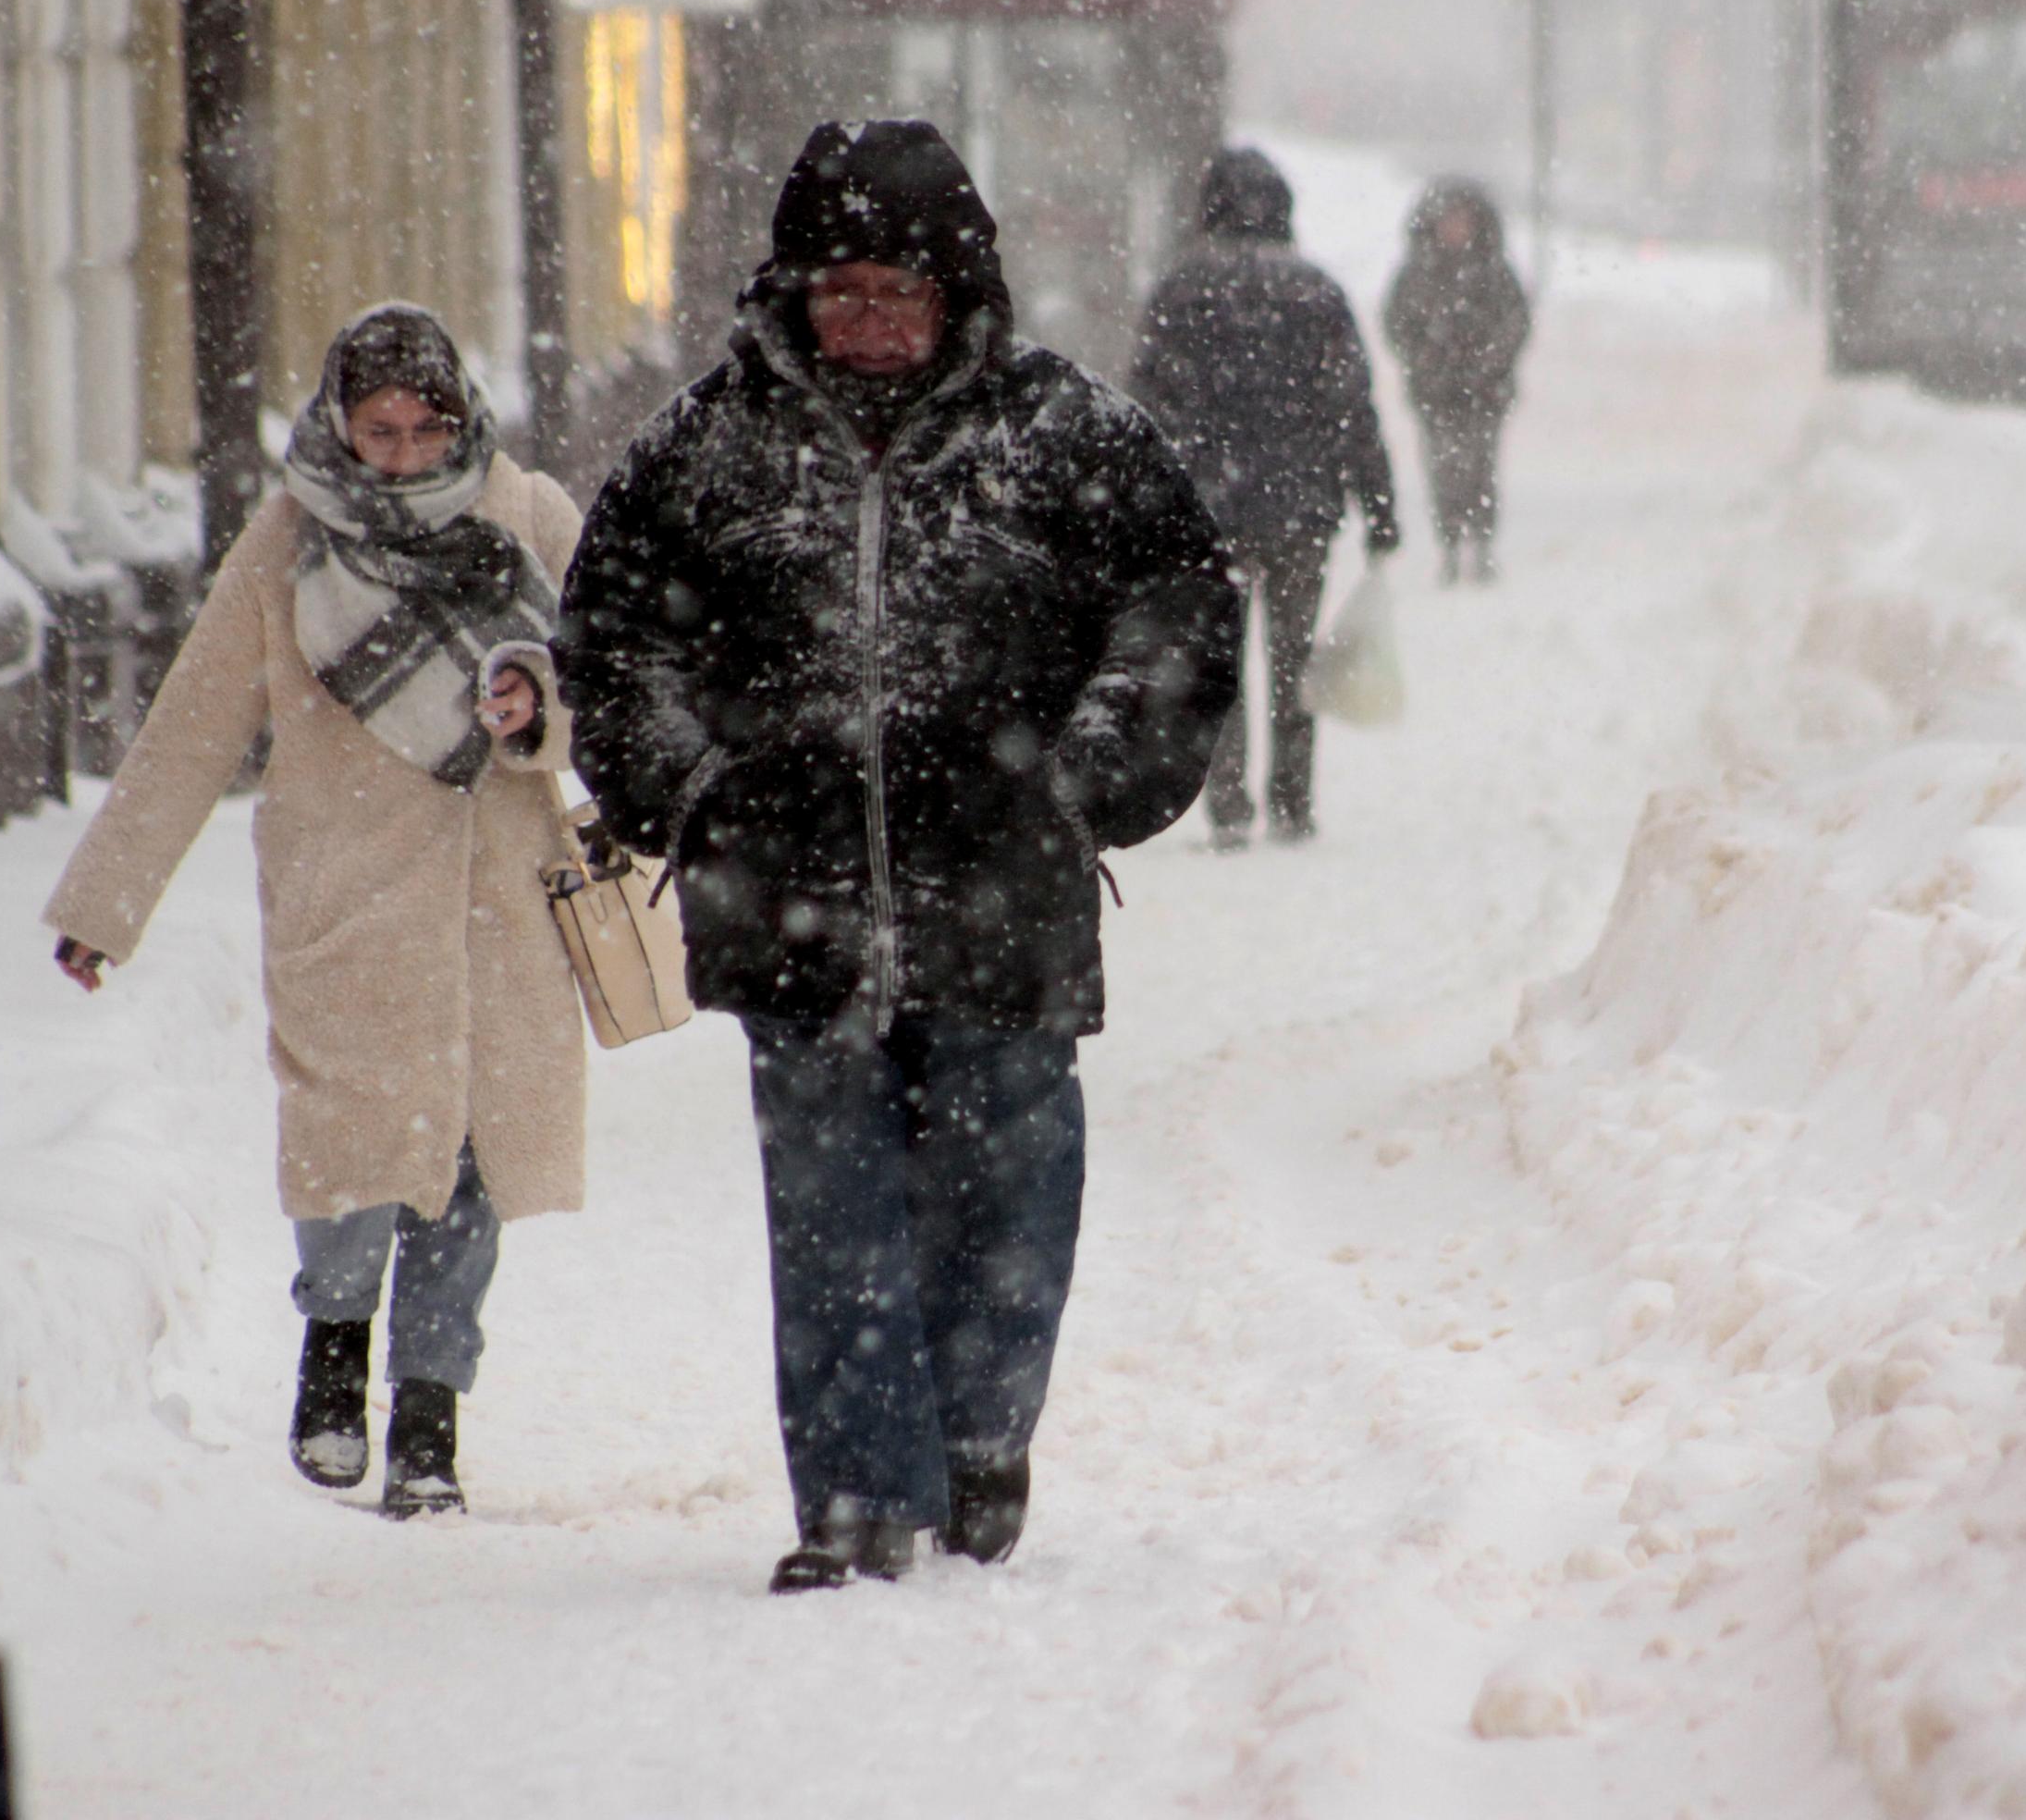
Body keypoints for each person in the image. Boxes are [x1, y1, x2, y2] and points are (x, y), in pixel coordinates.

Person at [556, 120, 1240, 1592]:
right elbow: (611, 642)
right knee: (833, 1209)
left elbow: (1178, 609)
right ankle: (860, 1492)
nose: (864, 321)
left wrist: (1087, 777)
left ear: (960, 295)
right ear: (791, 292)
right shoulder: (708, 448)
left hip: (1003, 899)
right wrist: (693, 795)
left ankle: (982, 1438)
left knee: (1005, 1185)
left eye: (896, 292)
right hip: (785, 901)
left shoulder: (1065, 437)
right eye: (838, 289)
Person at [43, 303, 588, 1519]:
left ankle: (432, 1419)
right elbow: (196, 719)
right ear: (340, 424)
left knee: (469, 1168)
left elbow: (605, 679)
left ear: (459, 419)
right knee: (349, 1141)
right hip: (346, 891)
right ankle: (334, 1352)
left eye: (421, 427)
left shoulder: (529, 515)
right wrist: (106, 904)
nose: (398, 452)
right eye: (376, 428)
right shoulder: (288, 538)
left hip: (497, 898)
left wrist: (533, 704)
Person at [1130, 144, 1398, 849]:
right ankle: (1292, 801)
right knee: (1293, 657)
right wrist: (1379, 504)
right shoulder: (1315, 292)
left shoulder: (1180, 289)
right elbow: (1351, 407)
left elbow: (1147, 410)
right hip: (1301, 507)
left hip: (1206, 514)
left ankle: (1228, 807)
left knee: (1219, 665)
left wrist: (1138, 506)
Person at [1383, 178, 1530, 586]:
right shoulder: (1417, 274)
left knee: (1481, 466)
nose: (1455, 228)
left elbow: (1515, 323)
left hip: (1485, 392)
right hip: (1436, 393)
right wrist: (1425, 358)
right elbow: (1397, 324)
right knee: (1443, 467)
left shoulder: (1494, 272)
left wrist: (1487, 362)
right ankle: (1448, 543)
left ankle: (1481, 542)